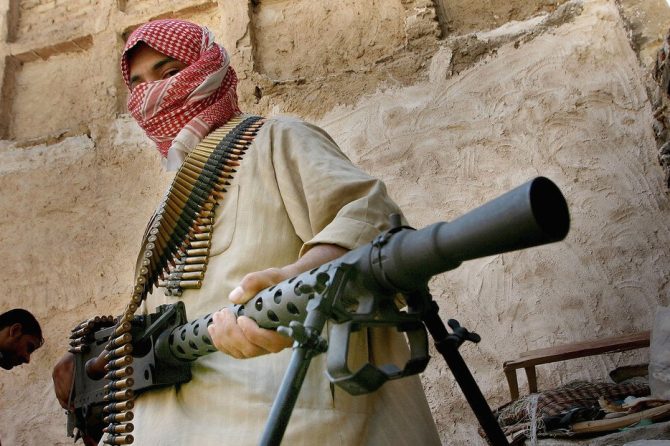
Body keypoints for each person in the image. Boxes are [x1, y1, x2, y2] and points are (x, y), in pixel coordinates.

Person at [54, 19, 441, 445]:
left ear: (210, 68)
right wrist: (98, 367)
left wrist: (293, 278)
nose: (154, 95)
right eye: (140, 85)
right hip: (170, 429)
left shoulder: (276, 139)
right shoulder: (166, 208)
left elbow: (373, 222)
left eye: (170, 73)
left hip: (286, 418)